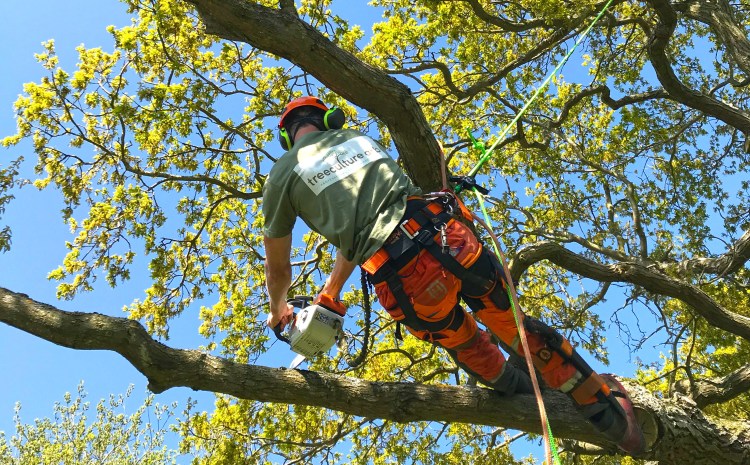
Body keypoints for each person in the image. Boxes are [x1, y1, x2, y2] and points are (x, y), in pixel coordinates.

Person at [262, 96, 645, 455]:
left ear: (286, 135)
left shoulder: (282, 175)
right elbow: (367, 224)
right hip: (450, 240)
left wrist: (278, 306)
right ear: (326, 119)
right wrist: (329, 293)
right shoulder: (359, 141)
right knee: (514, 327)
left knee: (464, 343)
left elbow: (281, 267)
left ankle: (521, 391)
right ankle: (615, 420)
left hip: (405, 283)